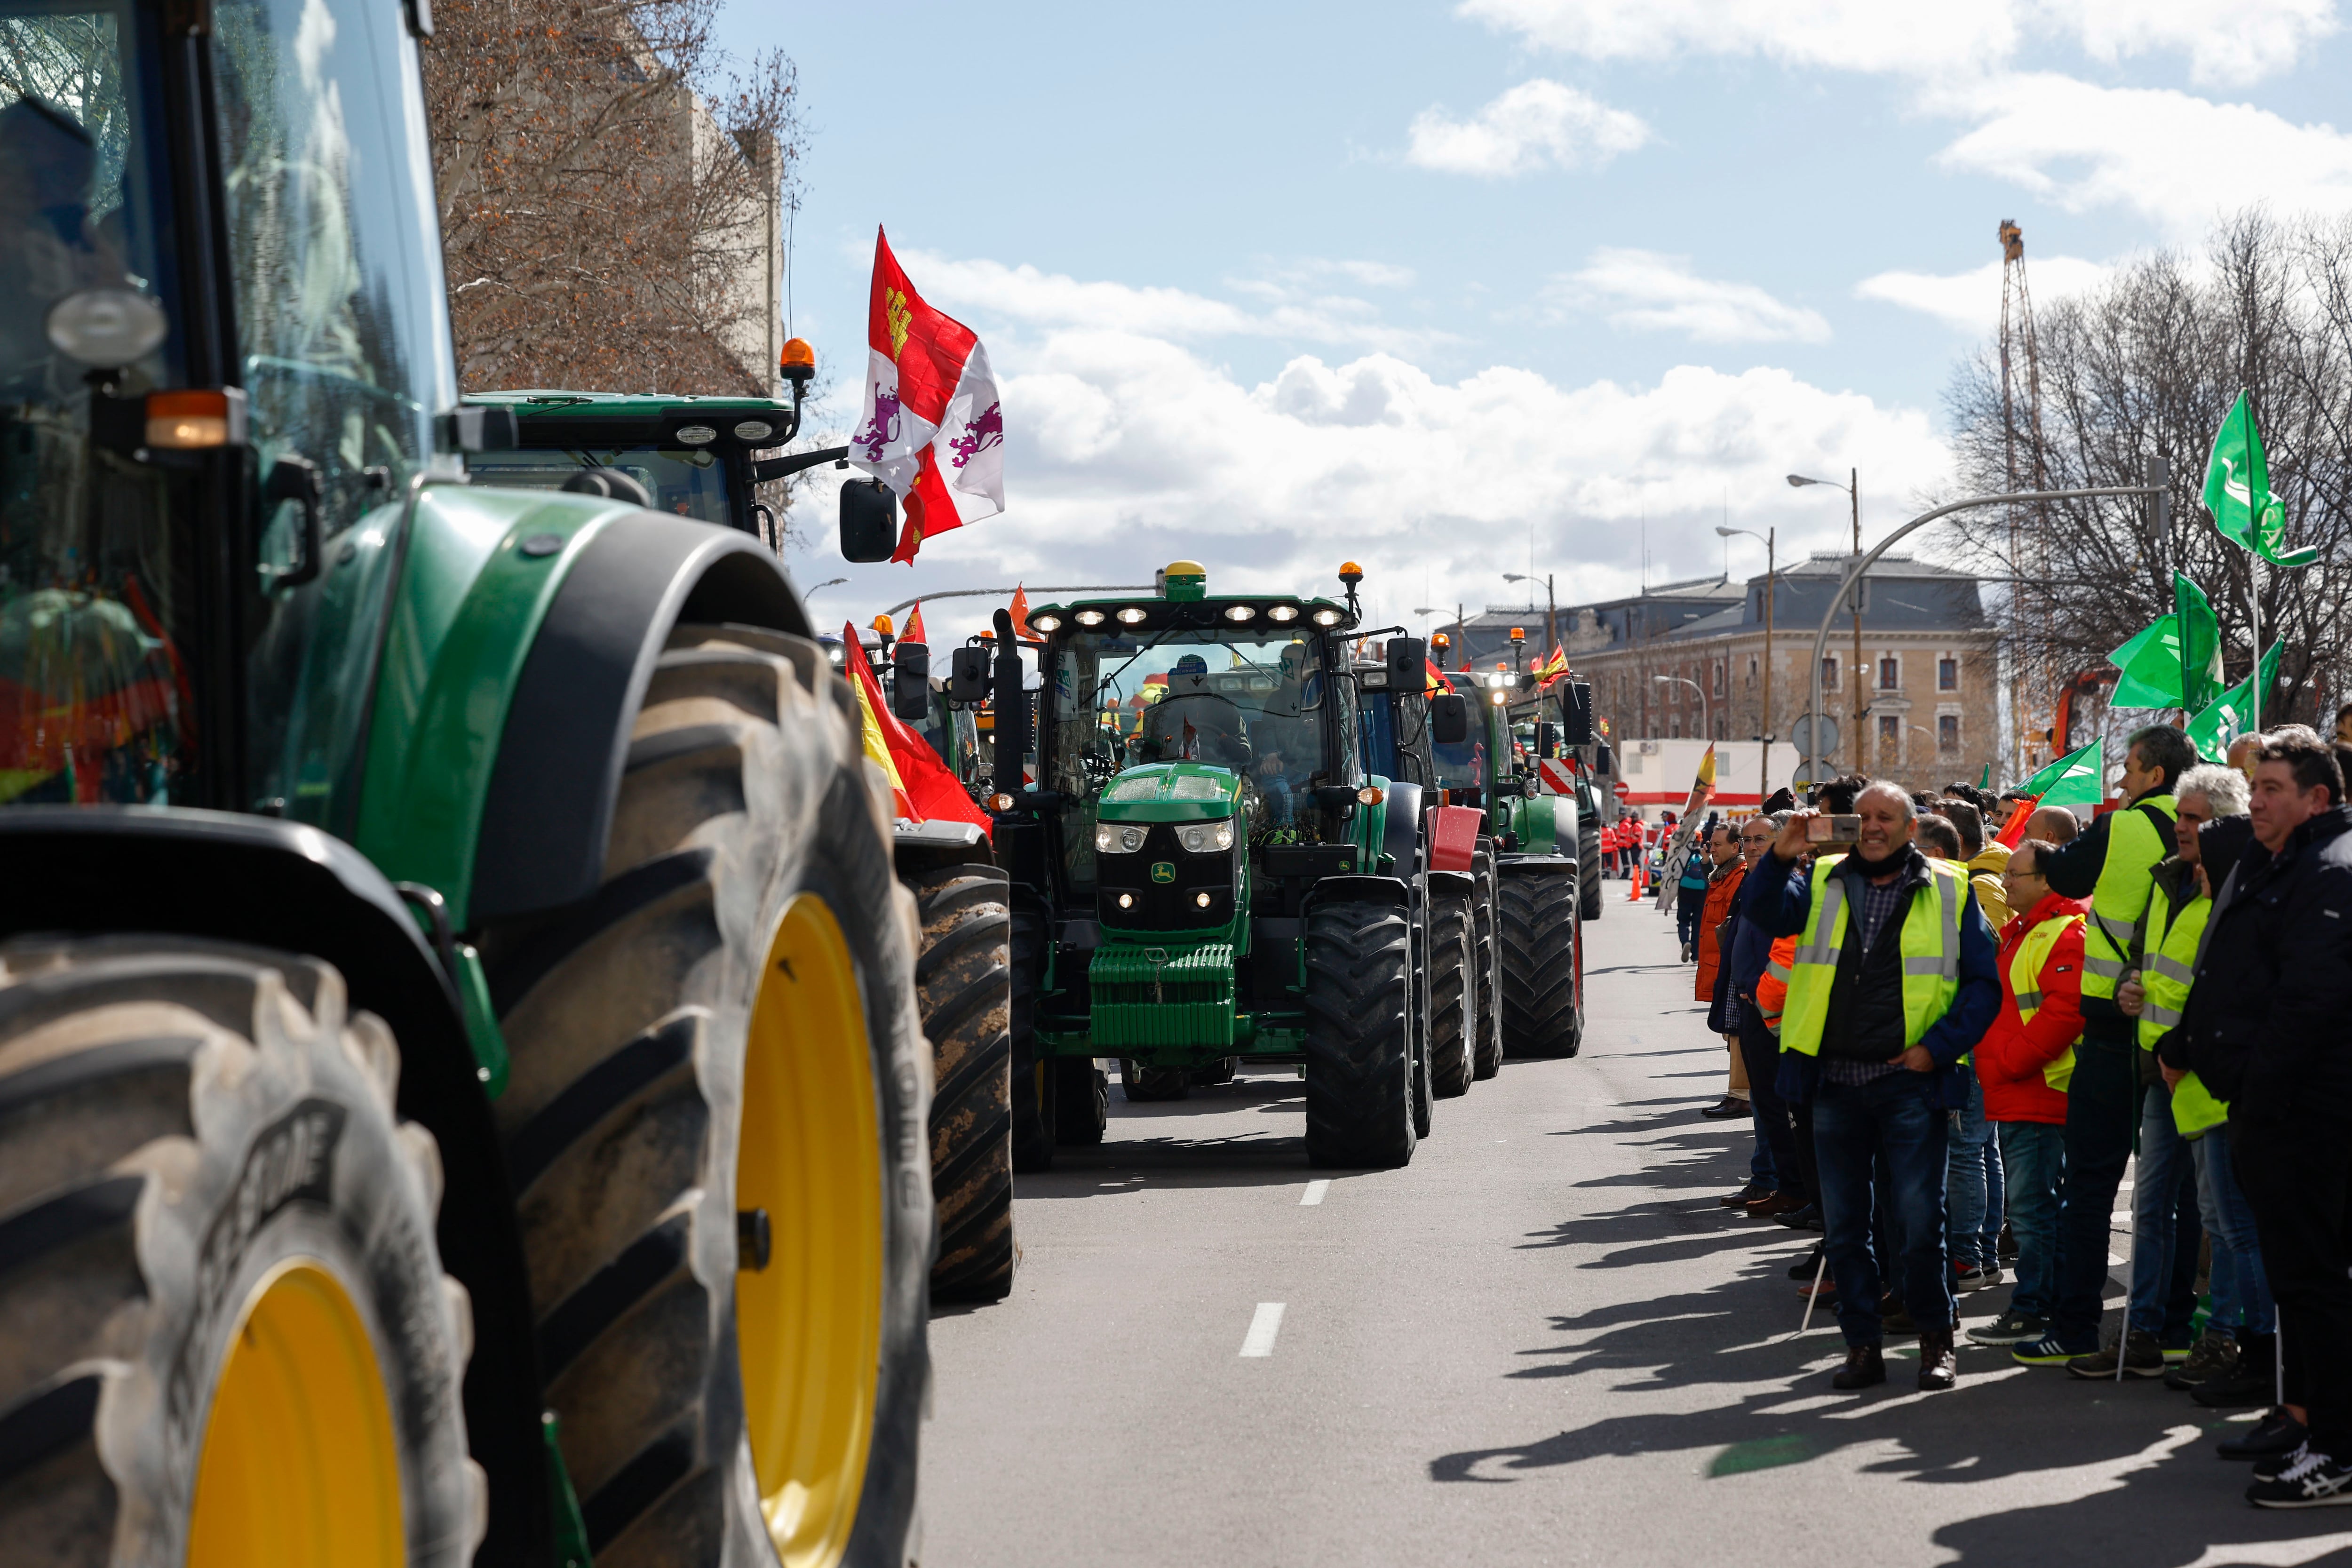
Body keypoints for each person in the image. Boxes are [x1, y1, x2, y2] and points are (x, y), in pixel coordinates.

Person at [1746, 783, 2002, 1393]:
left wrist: (1935, 1050)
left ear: (1911, 827)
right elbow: (1763, 911)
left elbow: (1983, 988)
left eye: (1885, 817)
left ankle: (1936, 1340)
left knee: (1919, 1221)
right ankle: (1862, 1347)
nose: (1872, 826)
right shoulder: (1825, 876)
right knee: (1845, 1228)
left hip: (1910, 1085)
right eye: (1862, 817)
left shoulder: (1951, 886)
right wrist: (1781, 856)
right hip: (1834, 1082)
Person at [2169, 733, 2352, 1504]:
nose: (2259, 800)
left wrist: (2257, 1088)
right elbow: (2235, 965)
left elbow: (2307, 1002)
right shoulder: (2282, 858)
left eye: (2272, 787)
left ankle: (2338, 1450)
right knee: (2299, 1280)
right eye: (2255, 787)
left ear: (2318, 797)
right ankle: (2309, 1419)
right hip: (2269, 1106)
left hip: (2304, 1113)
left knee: (2319, 1283)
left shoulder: (2329, 869)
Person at [2013, 724, 2194, 1369]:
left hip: (2115, 1028)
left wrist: (2034, 839)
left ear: (2151, 772)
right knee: (2179, 1193)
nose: (2119, 777)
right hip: (2180, 1028)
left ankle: (2076, 1327)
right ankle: (2173, 1328)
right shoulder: (2213, 823)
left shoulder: (2124, 825)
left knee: (2089, 1184)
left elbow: (2061, 872)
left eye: (2127, 766)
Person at [2119, 764, 2272, 1404]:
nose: (2181, 829)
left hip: (2210, 1080)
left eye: (2194, 819)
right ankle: (2148, 1330)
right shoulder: (2171, 882)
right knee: (2153, 1207)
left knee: (2229, 1222)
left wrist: (2184, 1045)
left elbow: (2226, 990)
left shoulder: (2243, 891)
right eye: (2180, 817)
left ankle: (2239, 1342)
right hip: (2165, 1072)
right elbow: (2164, 967)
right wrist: (2136, 989)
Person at [1964, 839, 2084, 1346]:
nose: (2005, 881)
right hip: (2018, 1088)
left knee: (2035, 1212)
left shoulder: (2063, 930)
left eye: (2015, 874)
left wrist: (2009, 1062)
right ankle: (2040, 1306)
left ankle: (2035, 1308)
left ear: (2045, 881)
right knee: (2035, 1209)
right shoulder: (2024, 929)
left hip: (2037, 1088)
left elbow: (2064, 1012)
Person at [1717, 814, 1807, 1218]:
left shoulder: (1787, 886)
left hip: (1775, 1011)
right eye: (1747, 840)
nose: (1752, 846)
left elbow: (1786, 954)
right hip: (1751, 1007)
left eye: (1761, 839)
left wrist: (1762, 996)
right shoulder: (1750, 882)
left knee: (1783, 1109)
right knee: (1765, 1105)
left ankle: (1793, 1188)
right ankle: (1776, 1182)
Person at [1697, 825, 1751, 1122]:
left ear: (1735, 848)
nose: (1712, 849)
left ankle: (1740, 1096)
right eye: (1711, 844)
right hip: (1722, 967)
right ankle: (1739, 1094)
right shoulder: (1722, 876)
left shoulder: (1739, 877)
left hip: (1733, 968)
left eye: (1718, 844)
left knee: (1737, 1033)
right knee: (1732, 1034)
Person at [1676, 814, 1715, 961]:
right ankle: (1696, 955)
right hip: (1702, 893)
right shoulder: (1705, 856)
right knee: (1698, 924)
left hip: (1685, 891)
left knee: (1683, 921)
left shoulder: (1683, 856)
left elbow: (1675, 873)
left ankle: (1686, 941)